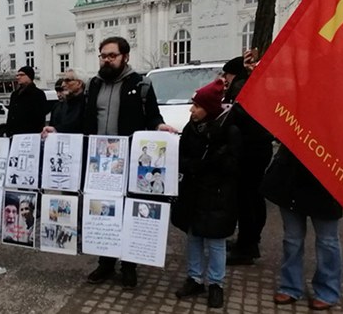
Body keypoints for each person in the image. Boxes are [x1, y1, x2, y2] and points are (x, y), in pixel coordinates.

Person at [83, 36, 176, 289]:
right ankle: (105, 262)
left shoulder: (141, 84)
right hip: (100, 163)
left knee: (127, 213)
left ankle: (129, 266)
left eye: (111, 55)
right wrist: (58, 129)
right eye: (103, 55)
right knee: (103, 212)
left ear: (125, 56)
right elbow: (85, 119)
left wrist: (159, 126)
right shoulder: (93, 84)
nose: (106, 60)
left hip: (129, 163)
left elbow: (153, 115)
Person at [172, 79, 240, 309]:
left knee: (216, 242)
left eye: (197, 106)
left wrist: (210, 163)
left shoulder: (229, 131)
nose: (192, 110)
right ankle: (195, 278)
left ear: (209, 108)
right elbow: (181, 158)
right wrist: (197, 165)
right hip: (193, 191)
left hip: (218, 195)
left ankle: (216, 284)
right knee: (193, 237)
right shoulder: (191, 128)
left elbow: (232, 166)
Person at [262, 145, 343, 310]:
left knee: (327, 241)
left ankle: (327, 290)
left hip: (327, 177)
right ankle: (290, 286)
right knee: (292, 239)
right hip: (291, 177)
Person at [223, 55, 274, 265]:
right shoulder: (253, 86)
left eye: (226, 74)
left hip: (249, 152)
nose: (224, 79)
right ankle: (248, 240)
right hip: (258, 150)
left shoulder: (242, 89)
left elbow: (236, 118)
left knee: (247, 200)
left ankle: (247, 247)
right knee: (252, 198)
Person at [6, 66, 47, 136]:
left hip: (29, 136)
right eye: (17, 75)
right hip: (14, 136)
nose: (18, 77)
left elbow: (39, 119)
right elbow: (10, 115)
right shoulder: (14, 94)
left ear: (29, 76)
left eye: (21, 75)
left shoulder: (38, 94)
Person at [43, 69, 86, 135]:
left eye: (67, 81)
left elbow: (76, 127)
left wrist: (57, 130)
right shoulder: (59, 106)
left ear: (79, 84)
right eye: (63, 81)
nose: (63, 85)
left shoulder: (88, 104)